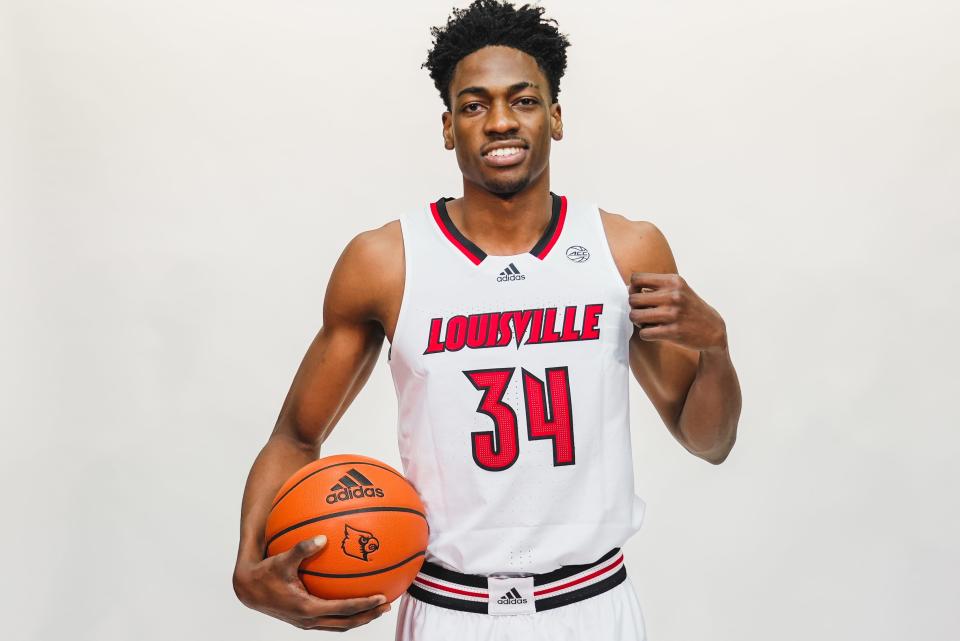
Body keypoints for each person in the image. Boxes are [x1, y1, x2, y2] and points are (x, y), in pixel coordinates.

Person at [232, 1, 742, 638]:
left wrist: (716, 347)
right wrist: (249, 563)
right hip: (448, 610)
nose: (501, 121)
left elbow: (709, 442)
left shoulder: (627, 250)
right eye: (474, 105)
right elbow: (295, 437)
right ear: (448, 128)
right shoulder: (385, 262)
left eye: (523, 100)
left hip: (591, 607)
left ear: (555, 117)